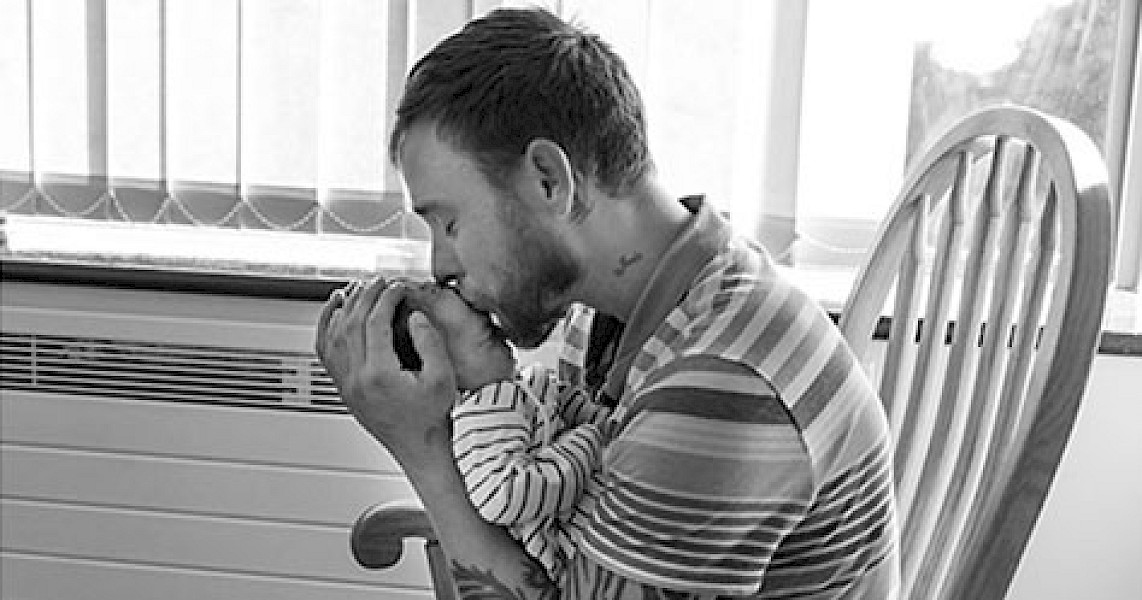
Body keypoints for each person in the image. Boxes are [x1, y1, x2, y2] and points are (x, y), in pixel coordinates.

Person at [317, 6, 900, 599]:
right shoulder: (623, 312)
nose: (440, 265)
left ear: (549, 178)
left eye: (449, 223)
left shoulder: (718, 384)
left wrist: (424, 452)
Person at [386, 279, 609, 582]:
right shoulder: (478, 416)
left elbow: (579, 410)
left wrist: (605, 424)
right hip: (571, 553)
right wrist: (590, 442)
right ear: (438, 362)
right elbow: (502, 496)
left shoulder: (525, 386)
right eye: (488, 339)